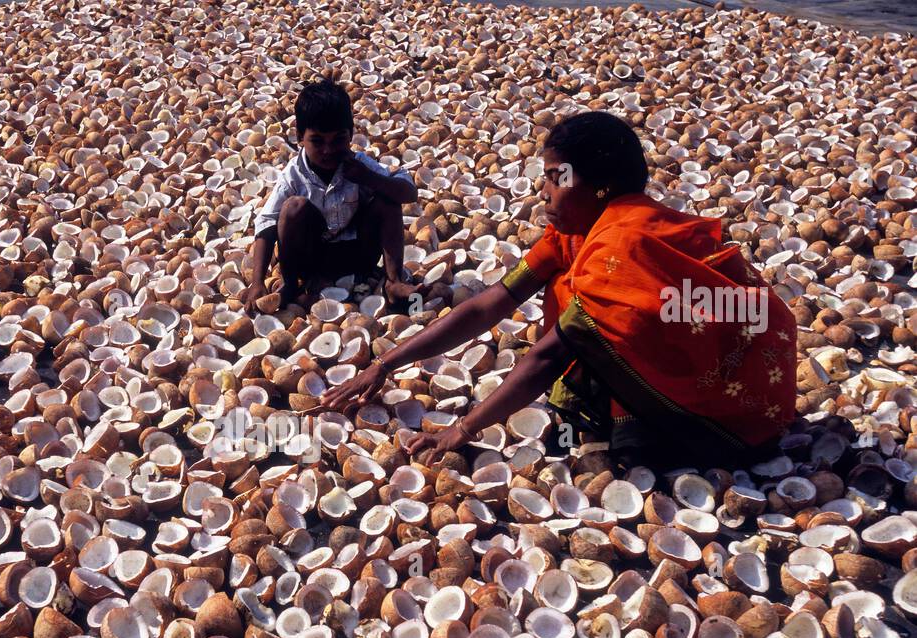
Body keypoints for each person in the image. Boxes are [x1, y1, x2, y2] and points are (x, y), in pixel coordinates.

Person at [320, 110, 796, 470]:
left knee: (588, 335)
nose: (542, 192)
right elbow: (491, 304)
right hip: (724, 365)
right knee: (573, 300)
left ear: (602, 187)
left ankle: (662, 423)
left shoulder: (620, 246)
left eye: (555, 179)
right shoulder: (576, 232)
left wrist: (462, 430)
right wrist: (385, 364)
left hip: (734, 412)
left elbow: (547, 358)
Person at [241, 79, 419, 310]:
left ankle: (394, 282)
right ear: (300, 138)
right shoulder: (294, 175)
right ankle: (291, 284)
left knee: (388, 196)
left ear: (351, 135)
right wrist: (257, 282)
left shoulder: (359, 166)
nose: (328, 150)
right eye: (317, 141)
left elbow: (409, 193)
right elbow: (266, 224)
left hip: (358, 257)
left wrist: (370, 179)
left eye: (338, 140)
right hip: (312, 261)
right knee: (293, 207)